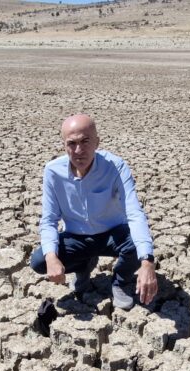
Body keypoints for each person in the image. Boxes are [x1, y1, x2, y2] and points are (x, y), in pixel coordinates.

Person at [29, 114, 157, 310]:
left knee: (137, 244)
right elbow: (49, 220)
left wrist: (147, 261)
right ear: (64, 145)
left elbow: (134, 212)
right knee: (40, 261)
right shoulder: (53, 172)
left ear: (97, 142)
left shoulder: (115, 166)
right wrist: (51, 257)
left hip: (112, 235)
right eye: (71, 143)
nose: (79, 150)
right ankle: (83, 269)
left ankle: (120, 282)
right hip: (77, 237)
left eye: (85, 141)